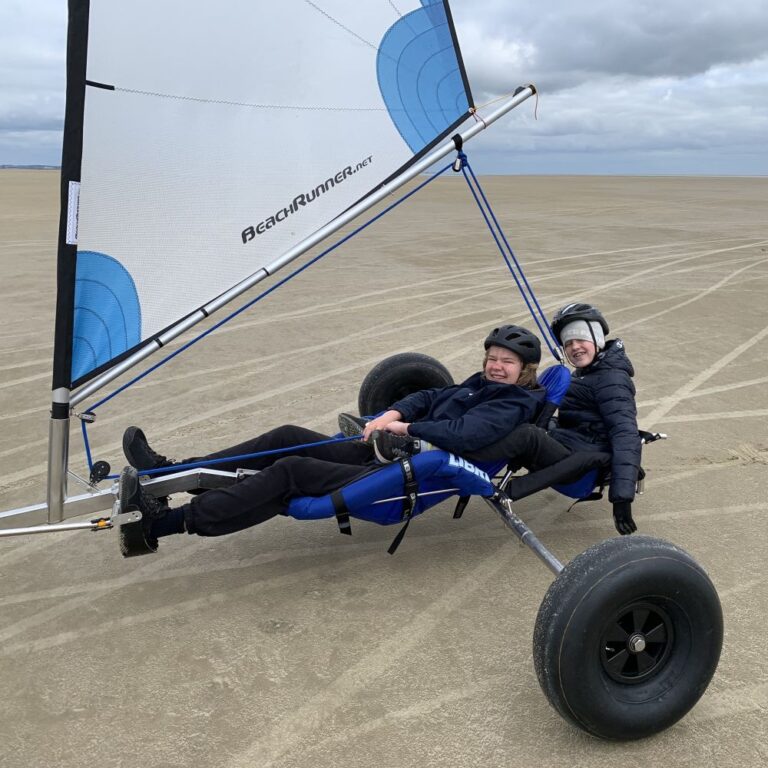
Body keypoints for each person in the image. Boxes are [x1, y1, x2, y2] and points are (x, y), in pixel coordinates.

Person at [118, 324, 545, 554]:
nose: (495, 366)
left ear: (524, 368)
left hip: (403, 477)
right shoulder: (478, 384)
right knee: (286, 436)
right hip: (385, 455)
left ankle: (158, 526)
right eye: (492, 358)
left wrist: (404, 428)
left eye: (506, 362)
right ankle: (172, 471)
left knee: (289, 472)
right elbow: (431, 394)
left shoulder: (512, 405)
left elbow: (467, 434)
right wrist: (393, 413)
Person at [467, 302, 642, 535]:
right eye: (568, 343)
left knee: (527, 434)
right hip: (570, 443)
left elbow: (625, 434)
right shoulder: (591, 372)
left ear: (597, 339)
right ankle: (458, 434)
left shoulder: (612, 380)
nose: (574, 347)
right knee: (518, 413)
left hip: (580, 467)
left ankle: (461, 459)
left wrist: (622, 498)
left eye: (581, 339)